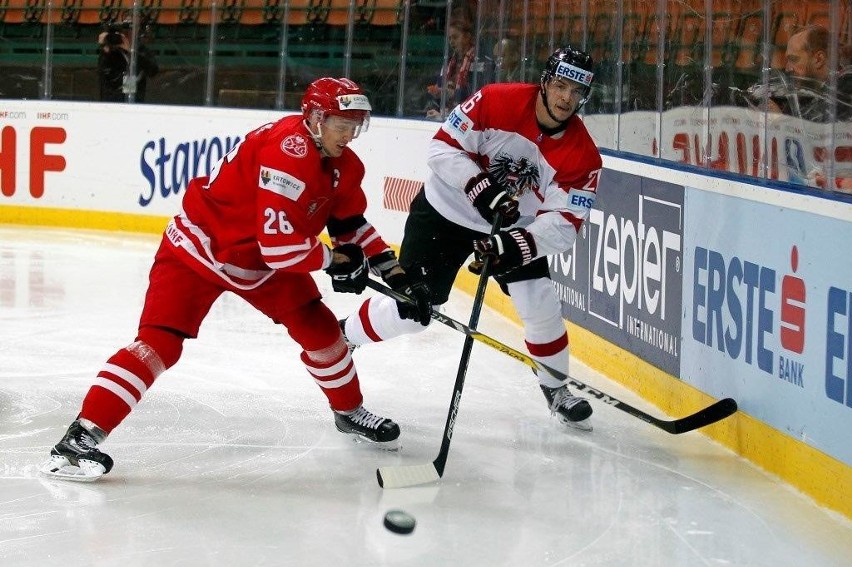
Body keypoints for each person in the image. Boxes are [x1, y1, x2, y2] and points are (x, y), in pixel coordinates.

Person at [41, 77, 431, 481]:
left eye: (355, 126)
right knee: (159, 344)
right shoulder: (288, 152)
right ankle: (79, 439)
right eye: (341, 124)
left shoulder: (343, 165)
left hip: (258, 261)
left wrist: (396, 274)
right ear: (315, 118)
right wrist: (335, 260)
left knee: (322, 333)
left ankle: (349, 413)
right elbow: (280, 247)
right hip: (200, 250)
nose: (349, 135)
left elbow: (350, 222)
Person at [341, 46, 602, 431]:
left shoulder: (583, 157)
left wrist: (515, 244)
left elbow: (564, 224)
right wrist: (479, 185)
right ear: (545, 81)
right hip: (445, 212)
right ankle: (343, 335)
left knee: (540, 302)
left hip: (514, 227)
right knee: (413, 310)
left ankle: (556, 389)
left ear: (585, 96)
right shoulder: (498, 100)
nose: (566, 98)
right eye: (560, 85)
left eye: (575, 91)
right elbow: (442, 147)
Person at [425, 18, 476, 120]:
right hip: (448, 113)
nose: (451, 42)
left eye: (455, 37)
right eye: (449, 38)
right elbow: (440, 84)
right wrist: (437, 93)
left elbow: (477, 95)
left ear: (467, 37)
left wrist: (451, 93)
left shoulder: (478, 60)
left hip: (469, 118)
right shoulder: (450, 61)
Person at [97, 22, 159, 103]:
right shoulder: (110, 51)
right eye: (123, 32)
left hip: (134, 100)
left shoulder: (141, 49)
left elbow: (153, 70)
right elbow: (102, 73)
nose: (125, 35)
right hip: (111, 100)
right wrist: (105, 49)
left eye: (129, 31)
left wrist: (130, 51)